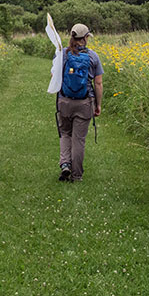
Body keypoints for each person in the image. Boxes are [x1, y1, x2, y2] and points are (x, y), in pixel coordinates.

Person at [57, 23, 103, 182]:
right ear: (85, 38)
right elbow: (98, 83)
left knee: (65, 134)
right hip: (84, 103)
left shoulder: (62, 54)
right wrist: (98, 104)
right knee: (79, 139)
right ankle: (76, 176)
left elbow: (53, 76)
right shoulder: (93, 56)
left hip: (64, 101)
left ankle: (65, 164)